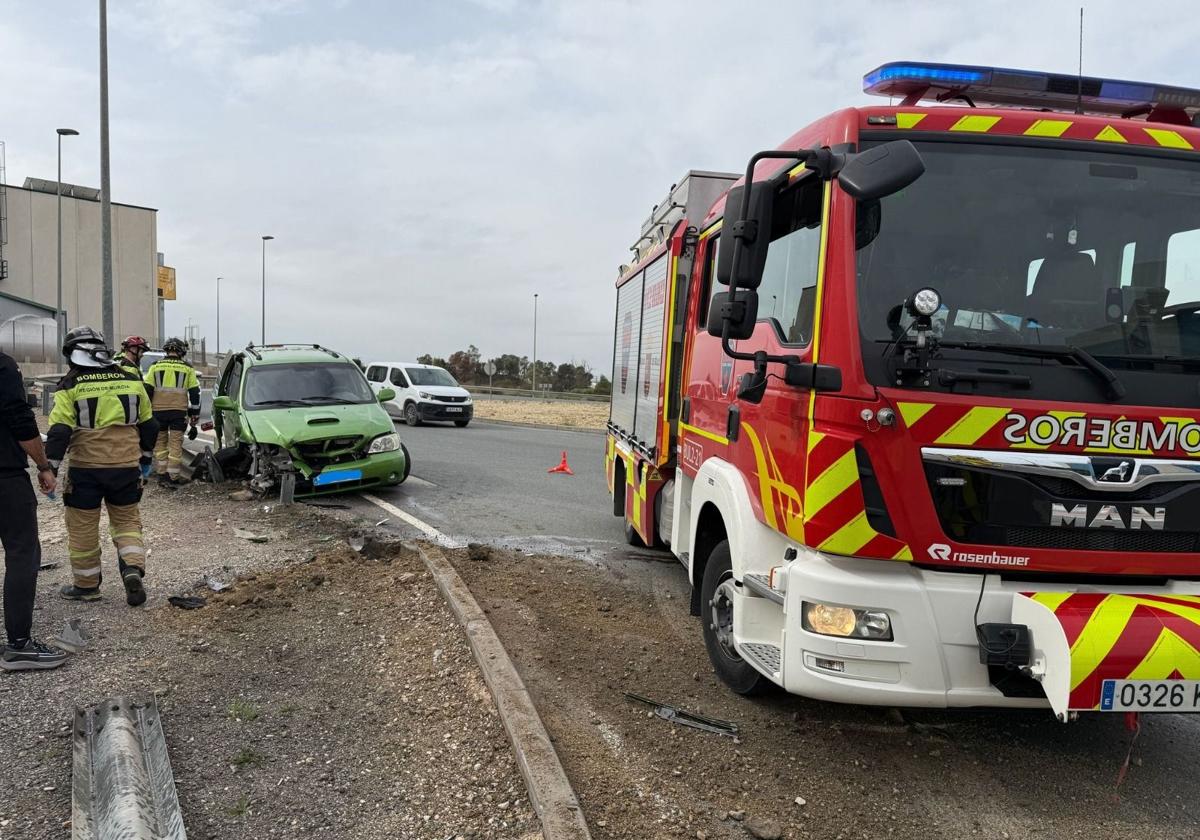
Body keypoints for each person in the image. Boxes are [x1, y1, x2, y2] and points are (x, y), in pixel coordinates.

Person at [46, 326, 158, 606]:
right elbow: (149, 425)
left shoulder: (70, 386)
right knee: (127, 522)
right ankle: (132, 567)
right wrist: (145, 460)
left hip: (86, 469)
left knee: (83, 527)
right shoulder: (131, 380)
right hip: (125, 467)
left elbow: (60, 432)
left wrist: (50, 467)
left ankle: (86, 586)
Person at [0, 348, 66, 670]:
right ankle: (19, 646)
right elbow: (19, 418)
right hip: (5, 477)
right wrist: (43, 464)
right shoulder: (2, 366)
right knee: (22, 553)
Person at [144, 337, 199, 485]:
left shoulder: (155, 366)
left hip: (157, 412)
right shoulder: (187, 368)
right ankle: (172, 477)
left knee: (160, 443)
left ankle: (161, 474)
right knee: (175, 444)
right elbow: (194, 392)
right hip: (178, 412)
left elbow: (147, 389)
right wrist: (195, 414)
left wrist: (145, 411)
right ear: (181, 352)